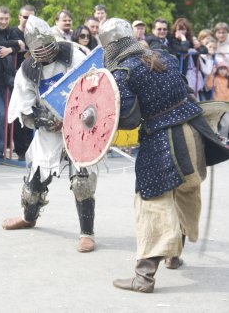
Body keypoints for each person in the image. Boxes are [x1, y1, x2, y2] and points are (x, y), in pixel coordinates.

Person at [98, 18, 229, 293]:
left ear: (109, 46)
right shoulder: (163, 56)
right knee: (185, 191)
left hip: (163, 139)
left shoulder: (124, 72)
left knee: (152, 201)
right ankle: (174, 254)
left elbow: (130, 119)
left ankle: (144, 277)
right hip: (194, 131)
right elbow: (184, 89)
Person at [2, 16, 97, 253]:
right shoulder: (27, 69)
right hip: (49, 128)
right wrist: (44, 120)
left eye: (47, 46)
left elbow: (95, 84)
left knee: (81, 180)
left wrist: (77, 116)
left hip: (80, 125)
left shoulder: (73, 55)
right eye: (39, 49)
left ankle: (87, 233)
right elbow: (22, 108)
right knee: (35, 182)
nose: (44, 52)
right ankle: (28, 217)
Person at [0, 6, 25, 161]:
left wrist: (9, 49)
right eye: (1, 18)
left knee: (6, 114)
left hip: (7, 79)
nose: (3, 22)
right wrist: (14, 45)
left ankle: (0, 150)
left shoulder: (11, 31)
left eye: (6, 19)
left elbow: (20, 46)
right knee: (0, 113)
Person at [10, 4, 36, 161]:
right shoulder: (13, 32)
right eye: (25, 17)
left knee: (31, 113)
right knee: (18, 113)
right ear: (19, 17)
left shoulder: (36, 33)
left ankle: (30, 148)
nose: (28, 20)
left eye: (32, 17)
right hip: (16, 77)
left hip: (32, 78)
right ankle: (20, 150)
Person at [206, 61, 229, 144]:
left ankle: (223, 140)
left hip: (227, 106)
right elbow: (209, 86)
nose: (223, 71)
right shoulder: (216, 79)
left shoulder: (227, 80)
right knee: (223, 124)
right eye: (221, 69)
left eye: (224, 69)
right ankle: (222, 142)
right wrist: (211, 73)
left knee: (226, 124)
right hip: (218, 105)